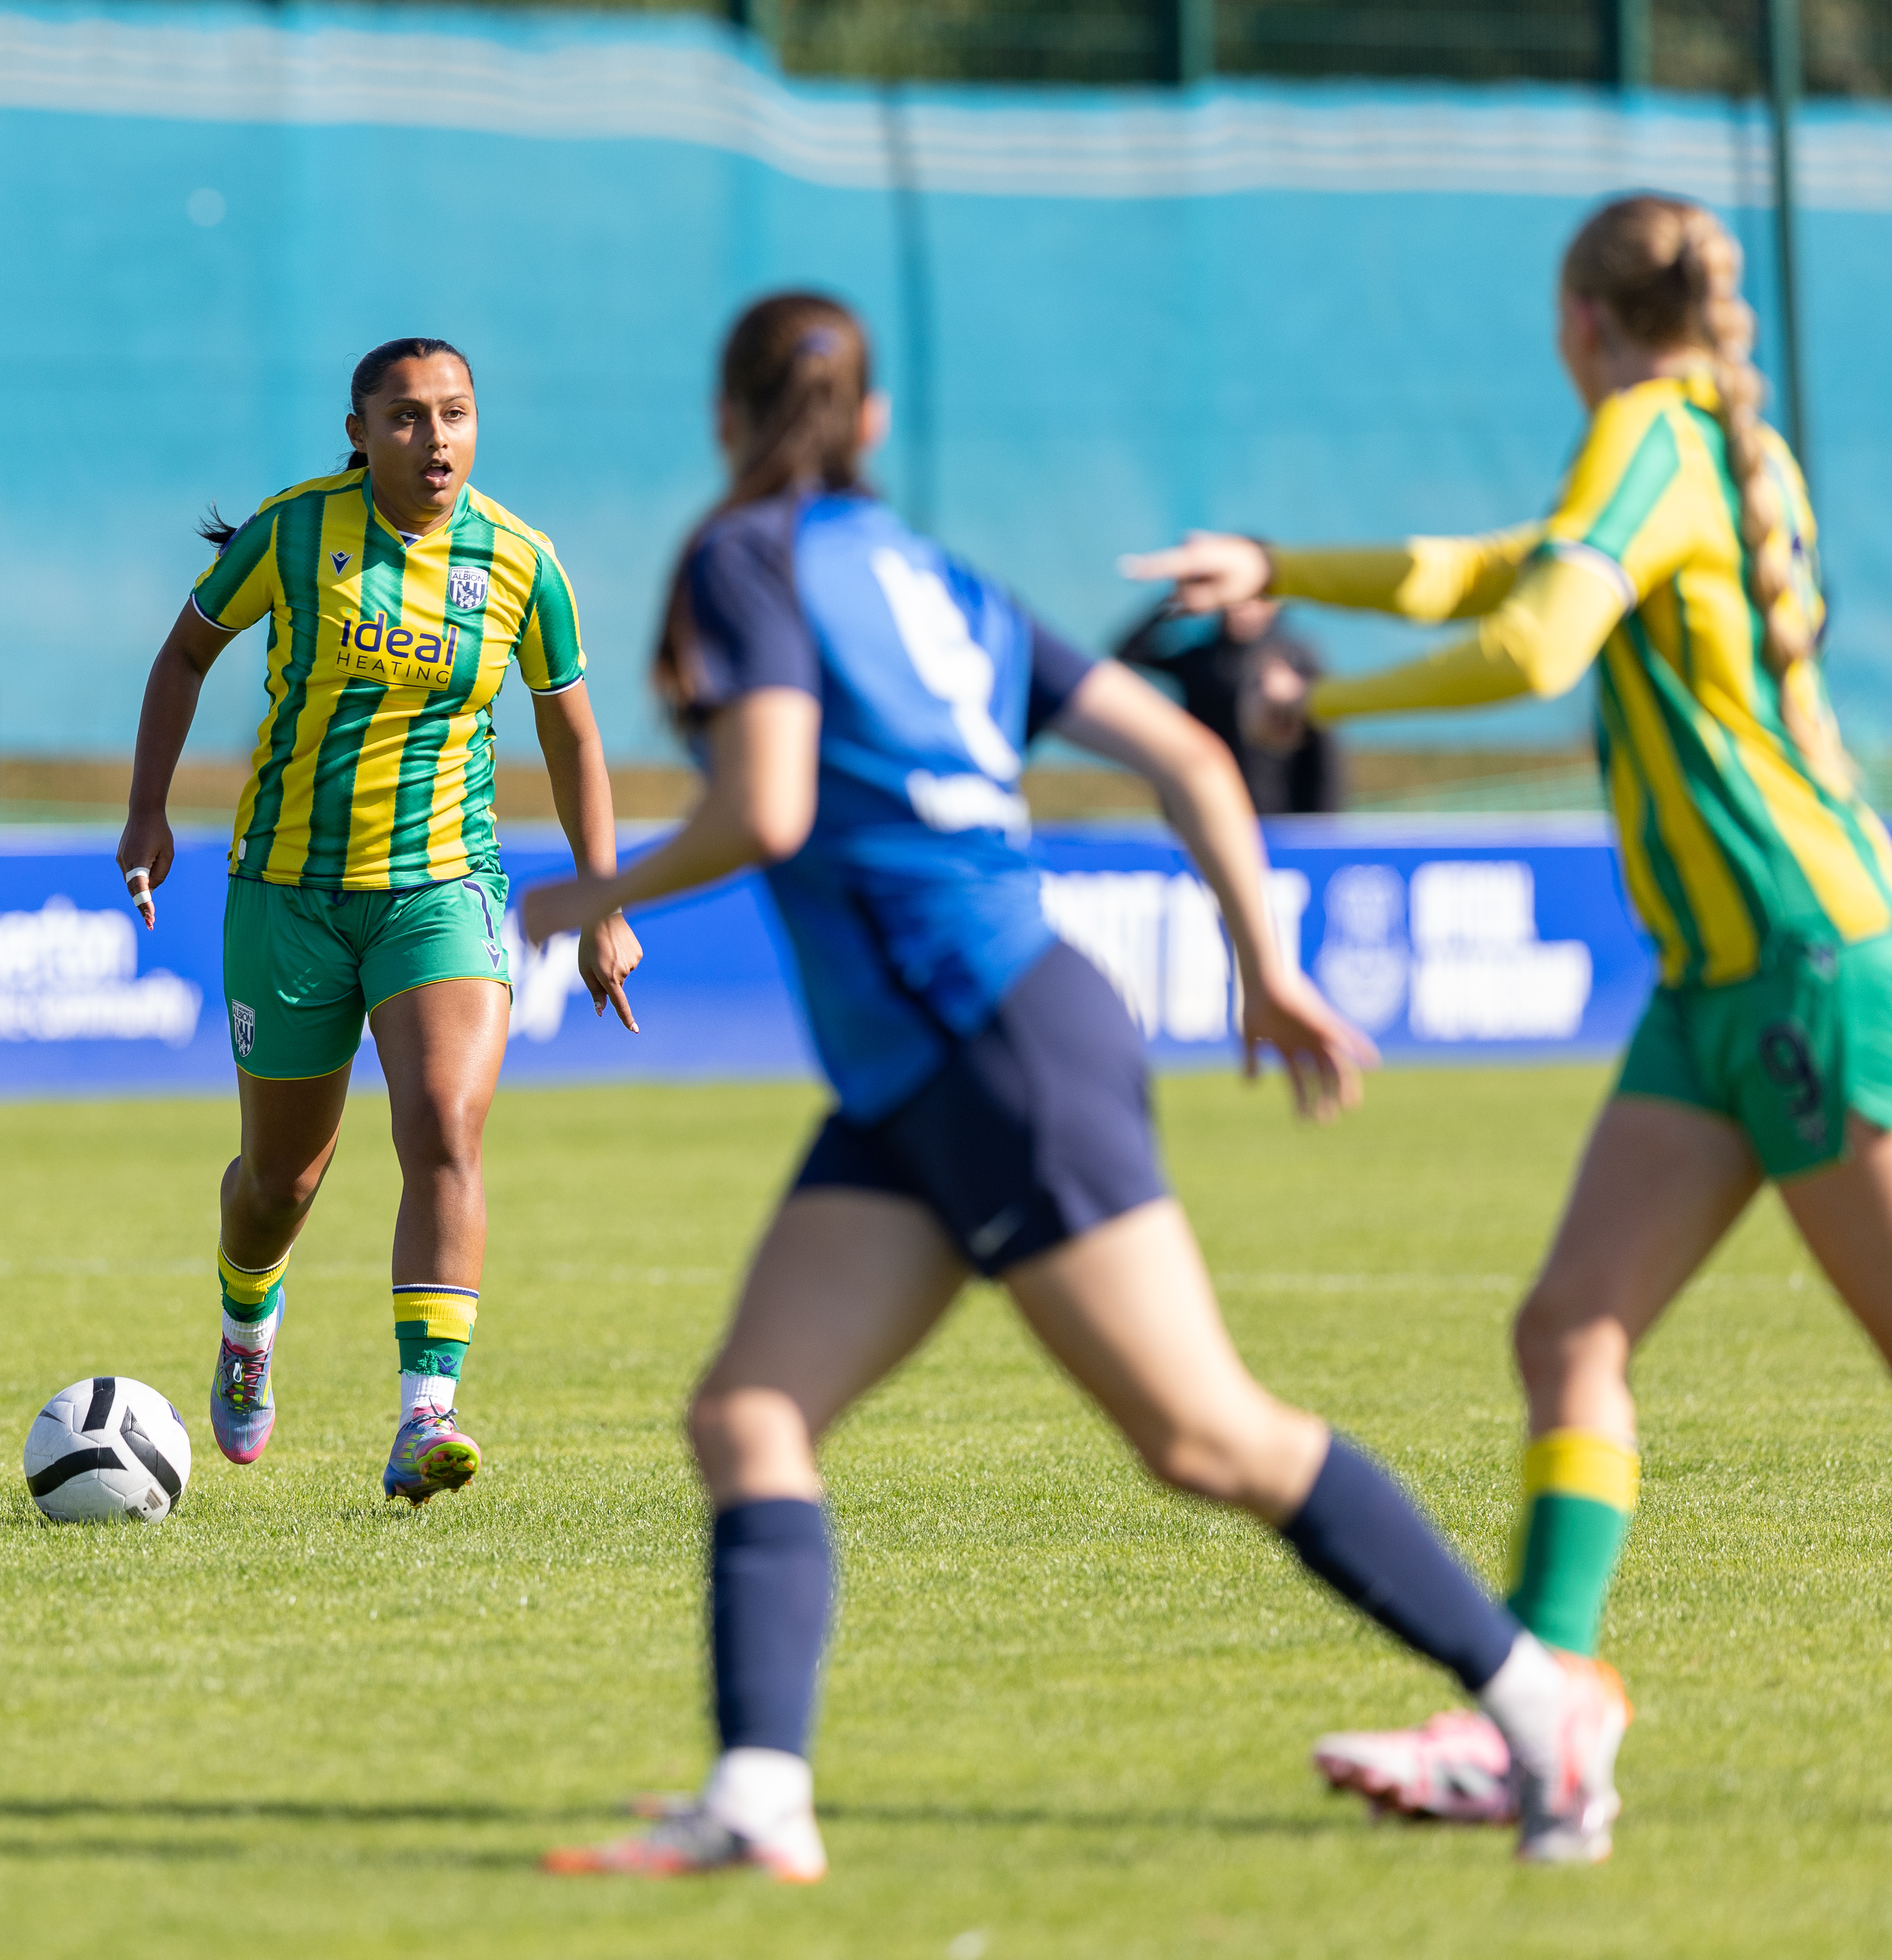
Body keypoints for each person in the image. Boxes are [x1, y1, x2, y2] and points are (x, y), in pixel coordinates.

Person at [523, 291, 1627, 1882]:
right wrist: (1267, 958)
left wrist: (569, 896)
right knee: (750, 1409)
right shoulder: (932, 575)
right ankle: (759, 1797)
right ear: (875, 423)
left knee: (1210, 1435)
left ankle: (1537, 1701)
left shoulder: (744, 560)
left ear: (724, 416)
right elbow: (1185, 749)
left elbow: (766, 807)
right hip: (941, 1061)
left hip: (989, 1041)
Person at [1127, 192, 1892, 1835]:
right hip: (1720, 983)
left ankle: (1540, 1699)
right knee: (1568, 1331)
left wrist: (1318, 693)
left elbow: (1540, 634)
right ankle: (1548, 1708)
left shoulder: (1644, 426)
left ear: (1580, 315)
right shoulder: (1692, 435)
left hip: (1803, 962)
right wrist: (1285, 568)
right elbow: (1504, 567)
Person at [116, 337, 643, 1504]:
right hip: (288, 895)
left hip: (444, 890)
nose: (435, 438)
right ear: (357, 432)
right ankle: (248, 1319)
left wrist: (604, 899)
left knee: (445, 1129)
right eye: (405, 418)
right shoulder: (294, 532)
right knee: (279, 1184)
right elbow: (184, 654)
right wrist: (148, 812)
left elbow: (572, 734)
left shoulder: (518, 562)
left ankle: (426, 1416)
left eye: (454, 414)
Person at [1114, 594, 1345, 814]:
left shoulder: (1296, 661)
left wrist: (1323, 819)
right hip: (1209, 804)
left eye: (1250, 601)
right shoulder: (1203, 660)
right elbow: (1129, 655)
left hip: (1280, 809)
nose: (1239, 610)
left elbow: (1324, 747)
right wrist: (1172, 604)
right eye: (1232, 602)